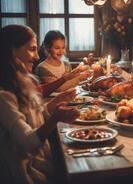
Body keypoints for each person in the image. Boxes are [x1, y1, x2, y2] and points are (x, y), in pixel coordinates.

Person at [0, 25, 80, 183]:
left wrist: (57, 102)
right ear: (11, 51)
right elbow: (28, 142)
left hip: (43, 162)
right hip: (24, 174)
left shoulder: (23, 81)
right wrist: (54, 119)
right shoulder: (3, 96)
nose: (36, 56)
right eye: (31, 49)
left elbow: (36, 114)